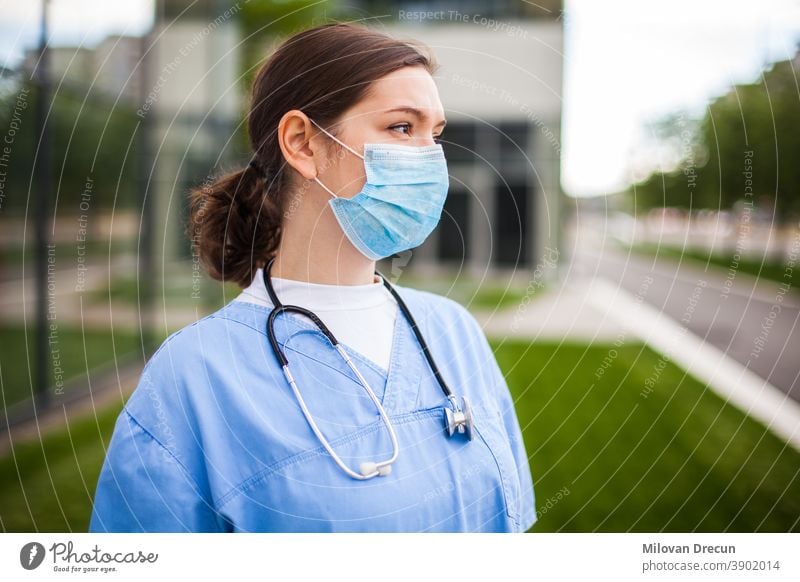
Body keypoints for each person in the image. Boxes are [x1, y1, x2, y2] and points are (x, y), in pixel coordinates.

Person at [88, 21, 536, 533]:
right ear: (302, 143)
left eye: (435, 133)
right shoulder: (194, 376)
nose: (431, 158)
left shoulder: (454, 331)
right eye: (401, 128)